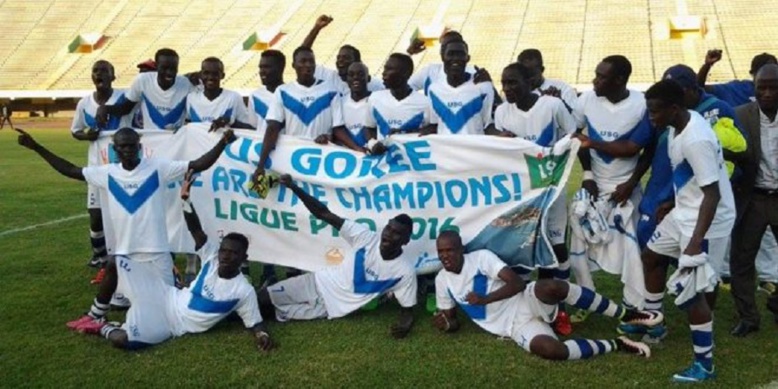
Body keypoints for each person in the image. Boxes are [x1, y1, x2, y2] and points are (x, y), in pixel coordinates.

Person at [15, 126, 237, 330]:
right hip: (125, 252)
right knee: (113, 267)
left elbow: (199, 164)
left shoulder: (158, 168)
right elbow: (70, 170)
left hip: (157, 252)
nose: (128, 150)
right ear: (115, 149)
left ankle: (174, 287)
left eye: (132, 145)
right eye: (123, 146)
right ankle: (95, 315)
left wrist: (223, 143)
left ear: (139, 147)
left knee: (167, 310)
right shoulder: (107, 173)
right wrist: (36, 147)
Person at [74, 171, 273, 351]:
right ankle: (96, 314)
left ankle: (103, 327)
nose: (226, 256)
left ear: (244, 258)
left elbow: (255, 322)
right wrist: (185, 200)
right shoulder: (212, 257)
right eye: (224, 251)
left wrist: (262, 335)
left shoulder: (243, 290)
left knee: (124, 341)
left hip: (171, 324)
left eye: (233, 253)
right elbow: (196, 229)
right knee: (114, 262)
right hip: (164, 294)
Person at [432, 230, 659, 361]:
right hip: (513, 327)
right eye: (440, 252)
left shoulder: (480, 258)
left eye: (449, 250)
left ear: (461, 249)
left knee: (551, 287)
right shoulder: (442, 280)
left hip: (523, 299)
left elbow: (517, 283)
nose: (445, 256)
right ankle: (617, 344)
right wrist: (446, 324)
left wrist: (485, 300)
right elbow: (451, 320)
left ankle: (626, 314)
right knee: (552, 350)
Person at [640, 79, 736, 382]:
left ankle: (704, 364)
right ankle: (655, 323)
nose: (651, 118)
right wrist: (671, 200)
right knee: (651, 256)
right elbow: (690, 176)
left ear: (674, 108)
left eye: (655, 112)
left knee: (693, 292)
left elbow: (713, 193)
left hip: (708, 222)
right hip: (684, 212)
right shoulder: (677, 127)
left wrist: (695, 243)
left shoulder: (696, 138)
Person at [257, 174, 417, 339]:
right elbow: (323, 213)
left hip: (330, 308)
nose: (389, 235)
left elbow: (408, 310)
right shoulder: (366, 237)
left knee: (269, 312)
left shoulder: (404, 271)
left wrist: (405, 324)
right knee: (261, 299)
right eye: (388, 228)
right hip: (316, 283)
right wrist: (294, 187)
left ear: (406, 240)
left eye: (397, 234)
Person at [494, 62, 577, 334]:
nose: (507, 89)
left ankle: (558, 306)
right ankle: (526, 305)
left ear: (530, 82)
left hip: (551, 187)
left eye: (513, 83)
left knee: (555, 245)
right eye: (504, 83)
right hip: (520, 191)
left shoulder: (552, 106)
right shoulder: (502, 112)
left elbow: (572, 134)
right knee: (525, 241)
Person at [569, 55, 652, 315]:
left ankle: (634, 305)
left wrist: (632, 182)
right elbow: (577, 138)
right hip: (594, 185)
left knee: (630, 248)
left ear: (619, 80)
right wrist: (588, 176)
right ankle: (587, 300)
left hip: (625, 187)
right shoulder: (586, 100)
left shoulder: (641, 104)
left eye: (601, 76)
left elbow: (644, 149)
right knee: (579, 241)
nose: (595, 81)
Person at [730, 64, 778, 337]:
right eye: (762, 87)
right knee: (742, 261)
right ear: (754, 88)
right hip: (753, 199)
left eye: (774, 87)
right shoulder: (740, 116)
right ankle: (748, 317)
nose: (768, 93)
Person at [251, 46, 344, 187]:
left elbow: (338, 129)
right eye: (303, 61)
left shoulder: (331, 89)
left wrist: (329, 138)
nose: (307, 65)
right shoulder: (282, 91)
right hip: (292, 159)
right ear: (294, 65)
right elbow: (272, 128)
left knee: (317, 203)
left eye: (311, 61)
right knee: (268, 196)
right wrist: (260, 165)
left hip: (323, 159)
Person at [71, 60, 131, 270]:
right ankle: (99, 256)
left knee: (122, 214)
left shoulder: (124, 99)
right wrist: (85, 135)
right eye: (95, 70)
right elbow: (75, 130)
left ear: (113, 76)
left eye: (105, 71)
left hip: (122, 166)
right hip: (96, 166)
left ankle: (124, 258)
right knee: (95, 216)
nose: (99, 74)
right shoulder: (84, 103)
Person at [96, 48, 196, 130]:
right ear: (156, 66)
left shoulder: (186, 84)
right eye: (165, 68)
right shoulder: (143, 80)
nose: (169, 72)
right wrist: (105, 108)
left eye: (173, 68)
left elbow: (198, 109)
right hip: (151, 142)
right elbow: (125, 108)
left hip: (176, 142)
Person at [423, 39, 495, 136]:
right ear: (443, 57)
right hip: (445, 150)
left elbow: (487, 125)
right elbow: (435, 124)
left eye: (461, 54)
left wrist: (504, 135)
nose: (456, 58)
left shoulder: (483, 87)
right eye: (451, 54)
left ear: (468, 58)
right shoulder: (434, 89)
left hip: (474, 150)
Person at [301, 15, 383, 95]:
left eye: (346, 58)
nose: (340, 61)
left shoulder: (376, 86)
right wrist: (316, 28)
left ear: (357, 62)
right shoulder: (330, 77)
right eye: (338, 58)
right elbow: (302, 56)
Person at [364, 53, 429, 146]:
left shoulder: (425, 103)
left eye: (389, 69)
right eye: (384, 68)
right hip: (384, 159)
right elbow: (368, 127)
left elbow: (432, 130)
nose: (383, 73)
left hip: (411, 159)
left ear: (405, 73)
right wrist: (372, 143)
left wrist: (407, 134)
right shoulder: (375, 98)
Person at [186, 57, 253, 131]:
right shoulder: (191, 98)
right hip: (197, 142)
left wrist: (230, 121)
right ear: (201, 75)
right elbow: (186, 126)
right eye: (206, 73)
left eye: (215, 74)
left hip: (225, 142)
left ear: (222, 75)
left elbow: (250, 128)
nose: (211, 77)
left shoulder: (233, 97)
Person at [697, 49, 778, 107]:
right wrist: (707, 65)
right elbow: (699, 87)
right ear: (753, 73)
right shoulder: (736, 89)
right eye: (763, 73)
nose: (767, 94)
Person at [331, 62, 373, 152]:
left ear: (368, 78)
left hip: (373, 154)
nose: (355, 77)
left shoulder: (376, 100)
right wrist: (356, 148)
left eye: (360, 74)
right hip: (349, 159)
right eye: (351, 75)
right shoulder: (339, 101)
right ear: (346, 79)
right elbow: (337, 129)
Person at [248, 50, 286, 136]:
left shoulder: (290, 94)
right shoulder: (255, 96)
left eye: (267, 67)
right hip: (262, 147)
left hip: (288, 148)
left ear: (280, 68)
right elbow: (254, 126)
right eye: (260, 67)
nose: (262, 71)